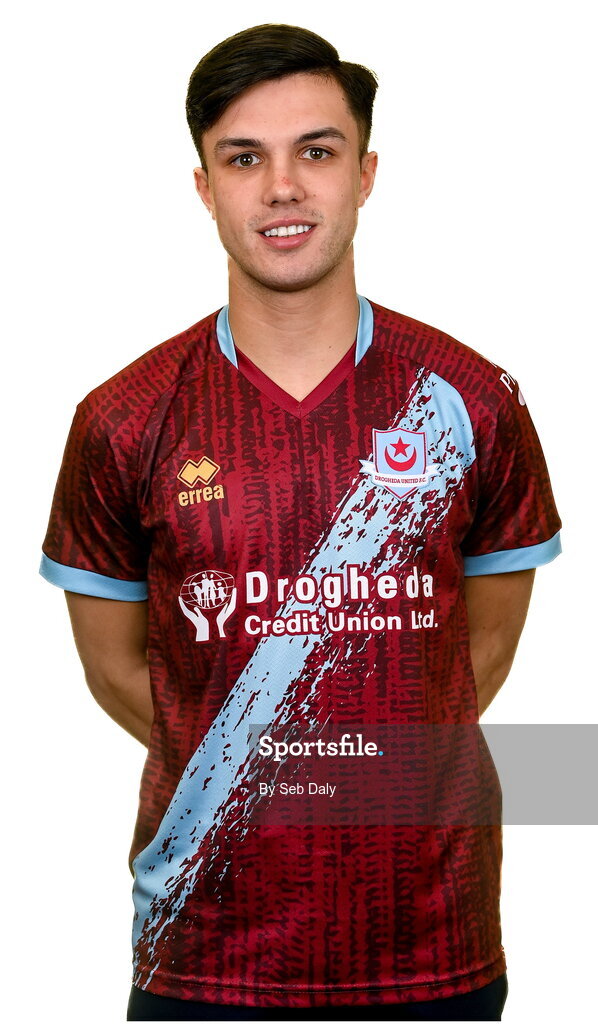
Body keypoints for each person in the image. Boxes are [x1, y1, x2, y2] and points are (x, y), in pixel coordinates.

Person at [39, 22, 561, 1023]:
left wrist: (358, 766)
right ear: (205, 188)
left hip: (432, 942)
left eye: (315, 151)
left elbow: (476, 656)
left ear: (365, 174)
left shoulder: (467, 399)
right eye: (245, 158)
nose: (282, 187)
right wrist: (263, 768)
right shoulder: (124, 418)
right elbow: (116, 671)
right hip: (204, 945)